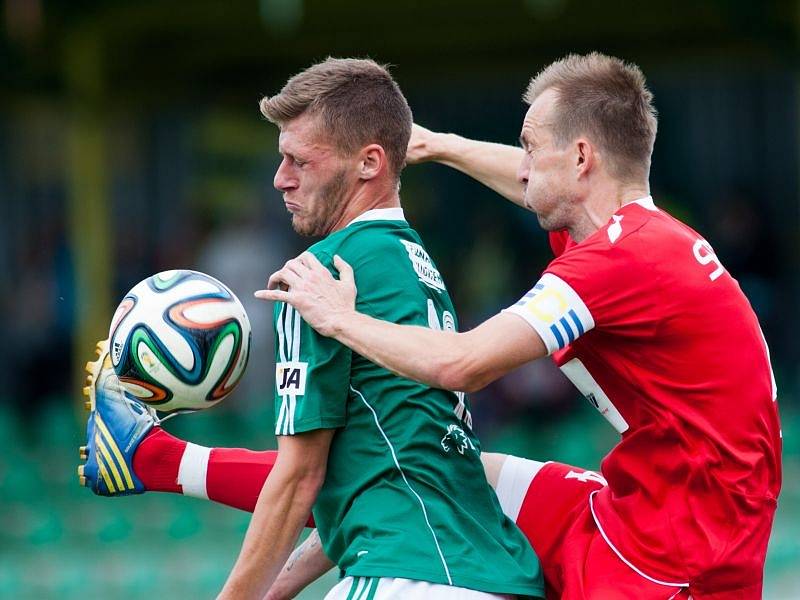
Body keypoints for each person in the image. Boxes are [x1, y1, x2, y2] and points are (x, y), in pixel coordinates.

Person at [258, 52, 782, 599]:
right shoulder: (635, 235)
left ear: (581, 158)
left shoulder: (619, 262)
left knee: (427, 471)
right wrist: (442, 146)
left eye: (531, 145)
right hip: (643, 503)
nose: (523, 164)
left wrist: (339, 316)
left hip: (679, 553)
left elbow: (460, 364)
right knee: (448, 472)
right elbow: (533, 182)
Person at [77, 57, 544, 600]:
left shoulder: (317, 277)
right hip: (488, 573)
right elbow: (377, 475)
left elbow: (299, 479)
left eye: (300, 161)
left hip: (410, 577)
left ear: (369, 163)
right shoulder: (411, 263)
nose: (281, 178)